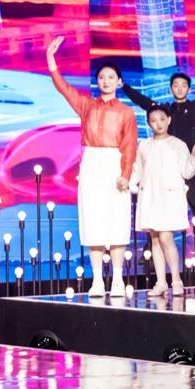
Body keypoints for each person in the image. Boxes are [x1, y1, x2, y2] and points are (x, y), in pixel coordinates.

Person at [47, 37, 138, 297]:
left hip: (114, 163)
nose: (106, 81)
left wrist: (125, 174)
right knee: (93, 220)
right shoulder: (87, 106)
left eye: (111, 77)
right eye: (102, 77)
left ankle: (117, 279)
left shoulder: (126, 112)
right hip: (91, 164)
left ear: (119, 82)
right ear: (97, 82)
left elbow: (130, 145)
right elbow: (64, 88)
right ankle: (97, 280)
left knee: (117, 220)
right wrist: (51, 60)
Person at [120, 67, 195, 257]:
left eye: (183, 85)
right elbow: (144, 102)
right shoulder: (165, 110)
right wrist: (124, 87)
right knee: (158, 208)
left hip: (189, 166)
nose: (179, 88)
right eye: (176, 85)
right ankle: (150, 254)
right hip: (166, 169)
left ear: (189, 89)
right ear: (171, 89)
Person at [130, 107, 195, 297]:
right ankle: (161, 282)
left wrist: (194, 156)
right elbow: (138, 170)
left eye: (162, 119)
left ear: (169, 120)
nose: (159, 124)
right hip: (150, 195)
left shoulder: (178, 144)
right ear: (149, 124)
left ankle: (176, 280)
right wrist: (128, 184)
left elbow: (187, 172)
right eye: (154, 120)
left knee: (165, 238)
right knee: (155, 239)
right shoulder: (144, 145)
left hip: (169, 197)